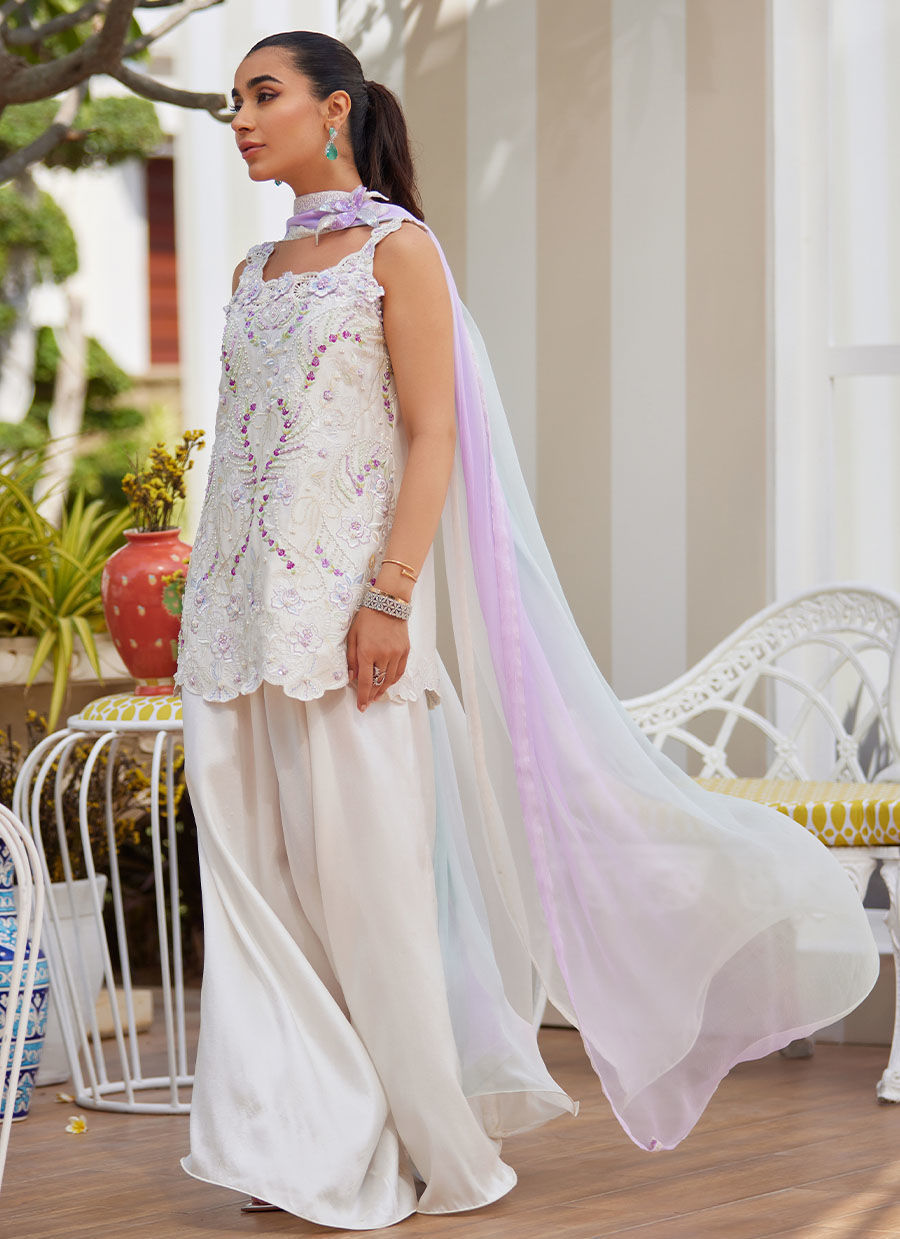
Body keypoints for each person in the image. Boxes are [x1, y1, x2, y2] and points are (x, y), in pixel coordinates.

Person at [174, 28, 879, 1230]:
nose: (238, 117)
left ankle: (424, 1139)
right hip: (231, 629)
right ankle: (300, 1141)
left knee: (367, 903)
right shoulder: (253, 272)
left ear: (334, 110)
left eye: (263, 94)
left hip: (347, 627)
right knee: (258, 900)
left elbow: (434, 434)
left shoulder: (397, 252)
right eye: (232, 98)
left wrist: (390, 596)